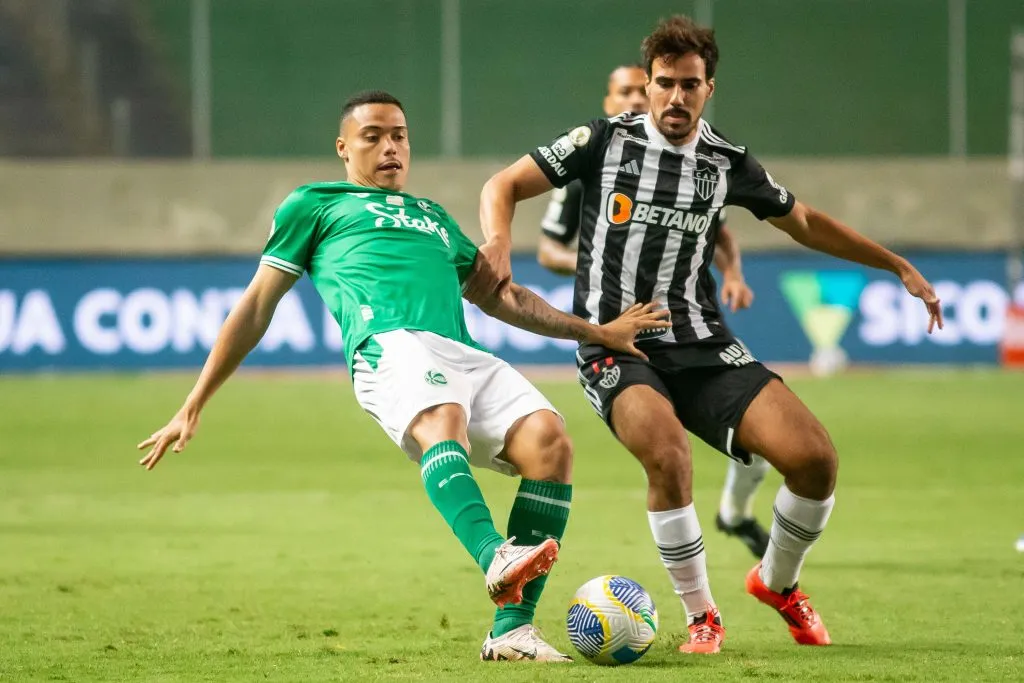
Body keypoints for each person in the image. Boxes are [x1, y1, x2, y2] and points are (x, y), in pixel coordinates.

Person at [136, 90, 669, 663]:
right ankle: (495, 554)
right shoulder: (314, 204)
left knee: (550, 441)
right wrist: (195, 400)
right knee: (445, 422)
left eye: (400, 135)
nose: (390, 147)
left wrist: (598, 332)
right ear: (344, 148)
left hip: (460, 350)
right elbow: (255, 307)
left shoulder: (433, 217)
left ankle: (511, 631)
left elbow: (503, 296)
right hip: (387, 342)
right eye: (373, 136)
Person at [474, 16, 943, 654]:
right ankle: (702, 616)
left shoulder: (727, 163)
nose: (675, 97)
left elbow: (803, 220)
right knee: (668, 454)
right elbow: (502, 184)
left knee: (815, 459)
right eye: (664, 83)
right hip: (616, 343)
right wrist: (498, 241)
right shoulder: (602, 140)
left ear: (708, 88)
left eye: (689, 85)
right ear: (647, 84)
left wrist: (897, 264)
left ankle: (777, 582)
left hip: (702, 343)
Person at [537, 62, 770, 558]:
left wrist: (733, 274)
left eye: (638, 92)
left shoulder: (697, 161)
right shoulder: (589, 162)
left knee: (763, 446)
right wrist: (594, 262)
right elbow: (547, 250)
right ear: (609, 102)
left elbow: (721, 230)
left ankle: (733, 512)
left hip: (691, 319)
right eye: (622, 93)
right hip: (621, 326)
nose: (633, 102)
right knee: (665, 452)